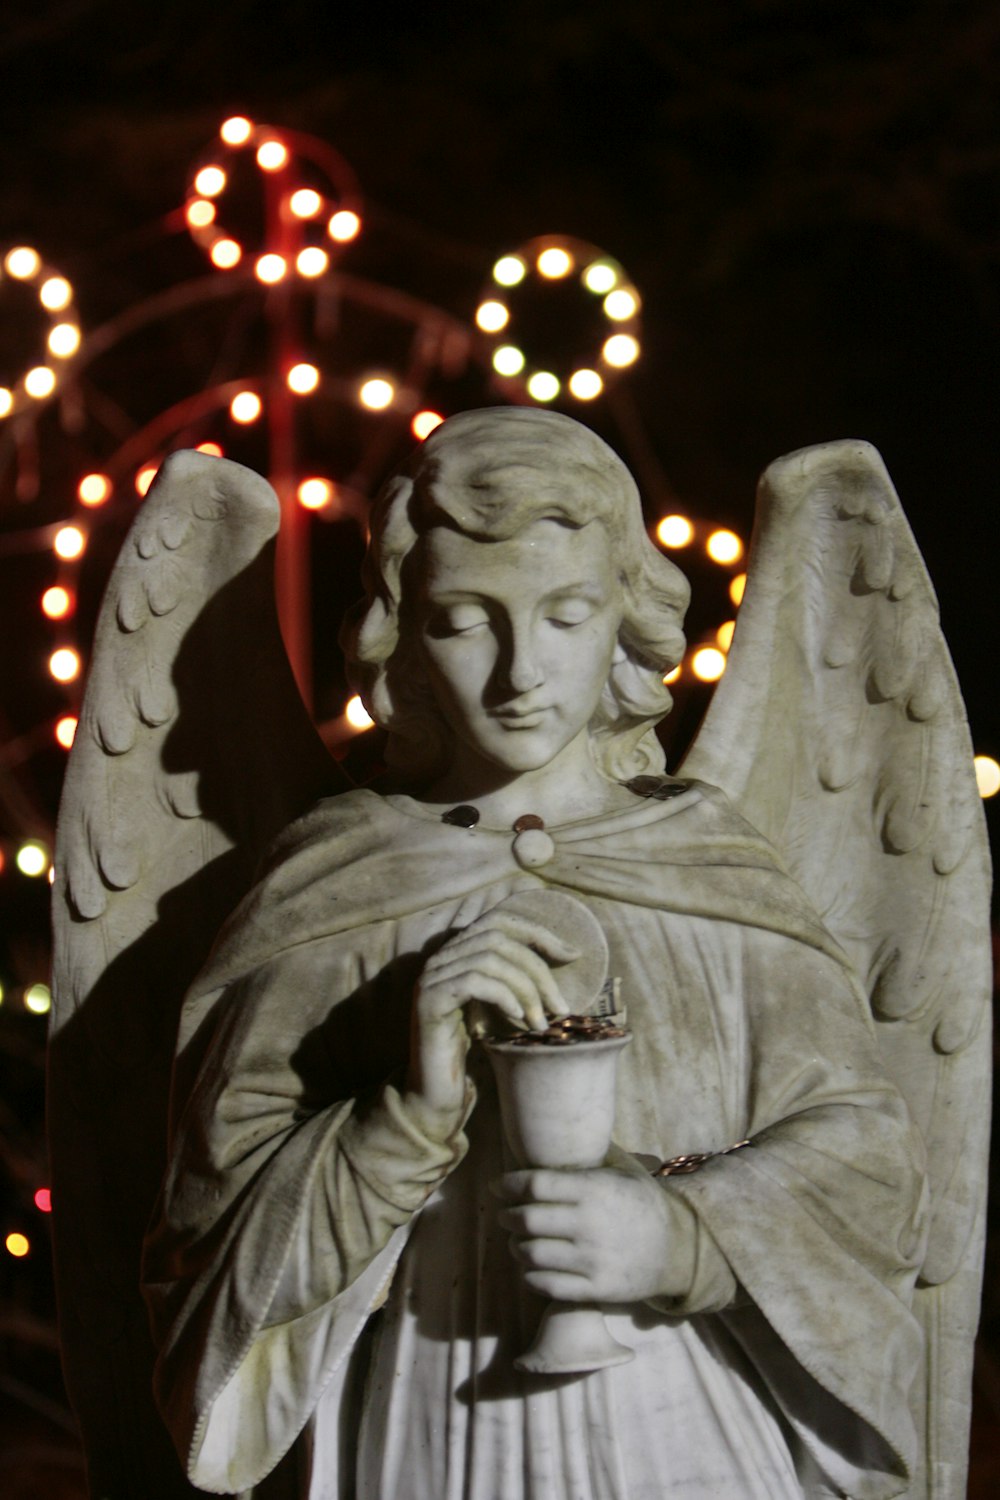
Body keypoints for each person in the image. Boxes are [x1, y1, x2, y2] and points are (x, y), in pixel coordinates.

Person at [143, 407, 927, 1499]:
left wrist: (684, 1235)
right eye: (466, 621)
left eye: (564, 615)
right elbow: (208, 1242)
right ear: (402, 637)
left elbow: (868, 1154)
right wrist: (402, 1119)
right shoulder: (334, 882)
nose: (521, 672)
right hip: (427, 1421)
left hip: (681, 1423)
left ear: (622, 618)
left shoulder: (706, 865)